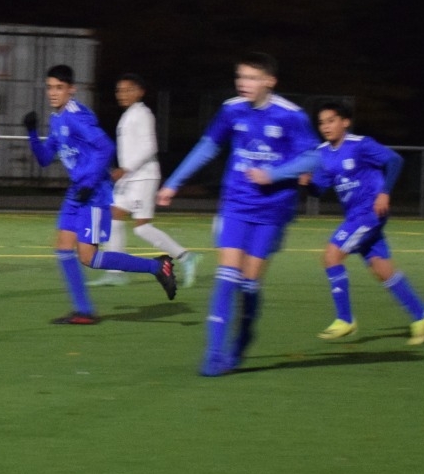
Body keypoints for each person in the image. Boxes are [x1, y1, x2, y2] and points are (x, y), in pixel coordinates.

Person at [158, 52, 318, 376]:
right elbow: (207, 147)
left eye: (252, 77)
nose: (244, 83)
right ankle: (214, 354)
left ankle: (243, 337)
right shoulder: (231, 109)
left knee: (249, 283)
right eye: (240, 76)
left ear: (269, 81)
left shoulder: (291, 115)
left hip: (273, 208)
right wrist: (173, 182)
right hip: (235, 203)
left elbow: (314, 157)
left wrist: (273, 174)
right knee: (226, 275)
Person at [24, 64, 178, 324]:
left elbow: (106, 147)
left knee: (89, 257)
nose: (53, 92)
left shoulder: (77, 117)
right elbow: (45, 158)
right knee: (63, 248)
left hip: (94, 192)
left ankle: (157, 267)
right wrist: (31, 133)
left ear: (71, 90)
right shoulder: (57, 118)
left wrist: (89, 182)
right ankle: (83, 311)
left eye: (59, 87)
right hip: (78, 191)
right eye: (50, 87)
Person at [307, 100, 424, 344]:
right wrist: (305, 183)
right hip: (355, 215)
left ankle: (345, 319)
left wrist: (384, 192)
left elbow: (395, 160)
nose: (325, 126)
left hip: (369, 212)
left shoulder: (360, 144)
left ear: (345, 122)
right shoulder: (322, 153)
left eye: (331, 121)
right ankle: (423, 315)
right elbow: (319, 190)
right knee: (380, 266)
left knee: (331, 255)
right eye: (322, 122)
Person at [89, 74, 202, 289]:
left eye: (128, 90)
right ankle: (115, 273)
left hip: (144, 177)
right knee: (112, 216)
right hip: (131, 178)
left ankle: (186, 257)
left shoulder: (142, 114)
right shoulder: (128, 115)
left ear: (140, 92)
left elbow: (150, 147)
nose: (122, 94)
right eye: (119, 90)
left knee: (141, 228)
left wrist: (125, 168)